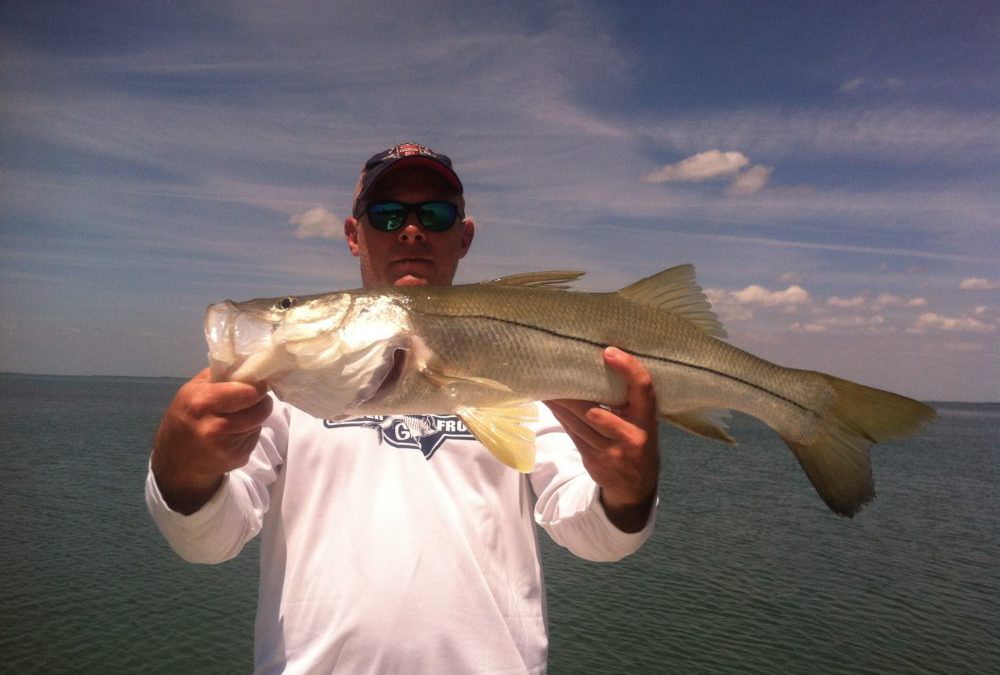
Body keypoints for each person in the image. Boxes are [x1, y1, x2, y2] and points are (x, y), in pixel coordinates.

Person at [146, 142, 661, 674]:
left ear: (463, 237)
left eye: (435, 215)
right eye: (387, 214)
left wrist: (628, 491)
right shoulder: (281, 387)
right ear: (354, 234)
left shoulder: (526, 368)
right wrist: (181, 469)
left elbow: (594, 537)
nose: (411, 230)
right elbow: (210, 541)